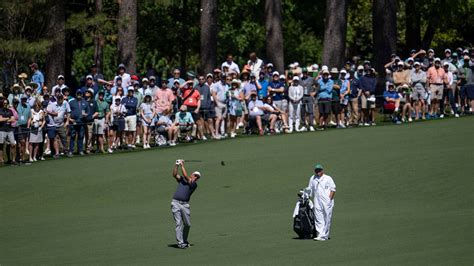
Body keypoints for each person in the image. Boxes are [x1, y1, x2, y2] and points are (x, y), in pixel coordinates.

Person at [171, 159, 201, 249]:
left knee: (187, 224)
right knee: (178, 223)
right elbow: (174, 175)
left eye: (197, 177)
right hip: (175, 203)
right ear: (192, 174)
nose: (195, 177)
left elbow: (185, 175)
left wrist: (182, 165)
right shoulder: (182, 180)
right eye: (195, 175)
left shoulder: (194, 184)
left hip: (185, 205)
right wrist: (176, 164)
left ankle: (184, 240)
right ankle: (180, 242)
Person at [307, 164, 336, 241]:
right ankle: (320, 234)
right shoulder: (312, 178)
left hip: (326, 200)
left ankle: (325, 235)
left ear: (322, 170)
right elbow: (310, 189)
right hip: (317, 199)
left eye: (319, 170)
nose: (318, 172)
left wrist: (329, 199)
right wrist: (306, 196)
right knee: (318, 217)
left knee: (327, 217)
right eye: (316, 170)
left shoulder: (328, 178)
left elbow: (333, 189)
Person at [68, 91, 89, 157]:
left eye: (80, 94)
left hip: (82, 122)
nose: (79, 95)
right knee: (73, 136)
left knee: (81, 136)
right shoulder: (71, 102)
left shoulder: (85, 102)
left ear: (82, 94)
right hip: (74, 122)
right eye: (78, 94)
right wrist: (70, 119)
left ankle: (80, 150)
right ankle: (71, 151)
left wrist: (86, 115)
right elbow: (68, 112)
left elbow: (88, 112)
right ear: (76, 94)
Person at [0, 98, 17, 165]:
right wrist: (8, 118)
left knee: (13, 144)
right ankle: (1, 160)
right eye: (4, 103)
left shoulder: (10, 111)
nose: (5, 104)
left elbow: (13, 120)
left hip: (10, 130)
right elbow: (0, 120)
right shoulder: (0, 110)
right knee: (1, 145)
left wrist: (5, 119)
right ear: (2, 103)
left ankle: (13, 160)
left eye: (6, 103)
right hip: (2, 129)